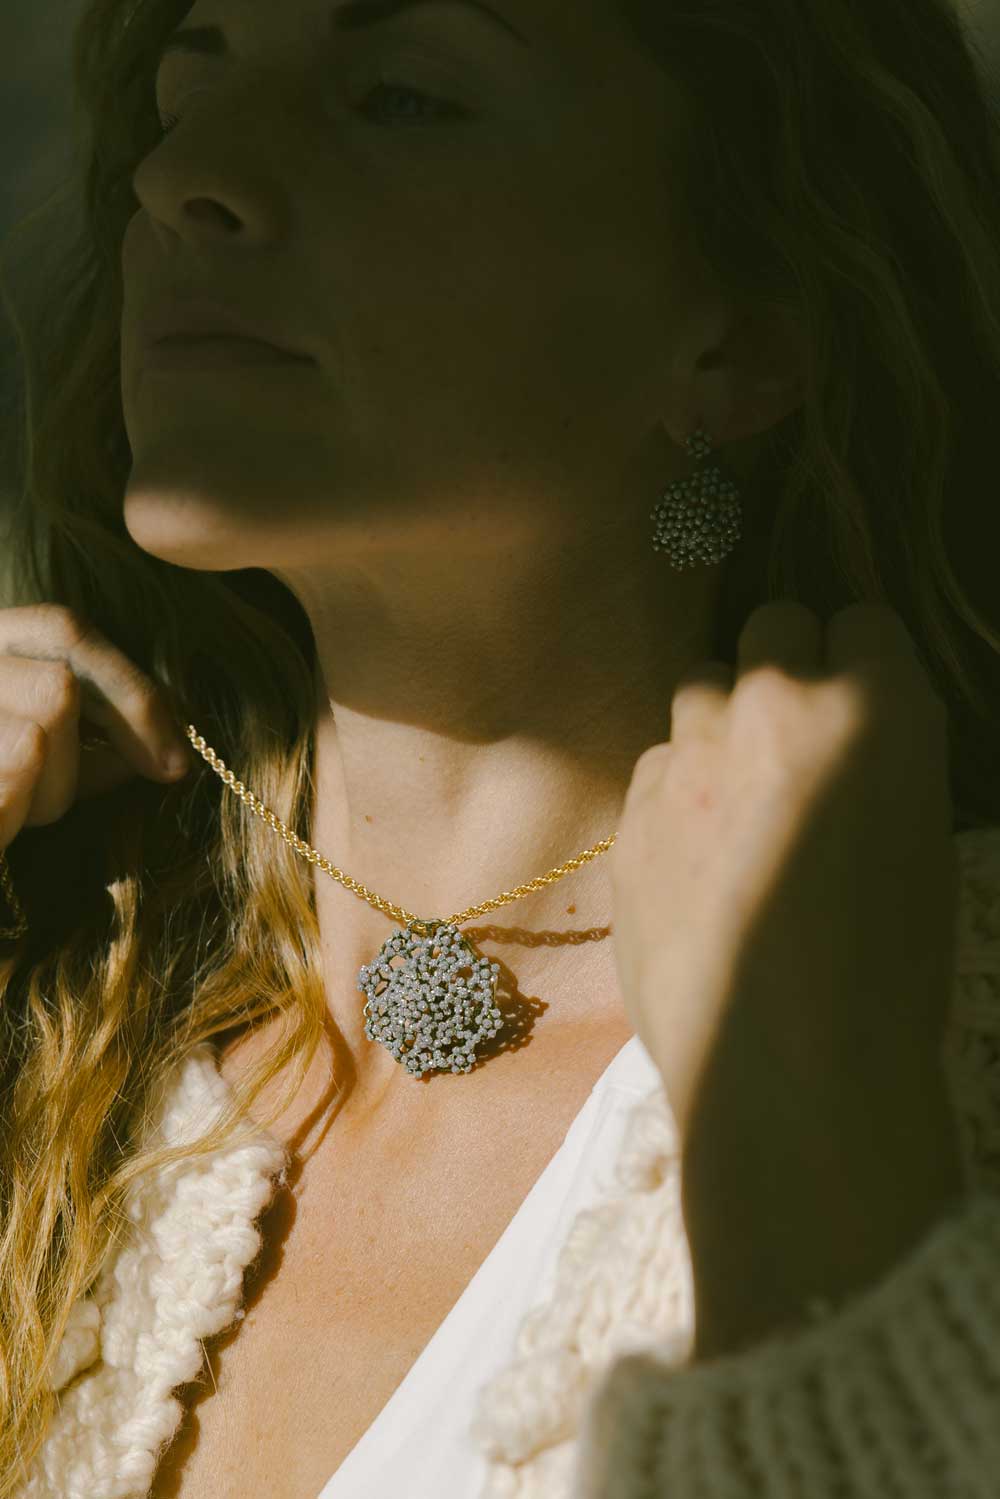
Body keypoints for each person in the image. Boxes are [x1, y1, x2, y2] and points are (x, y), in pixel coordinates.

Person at [1, 0, 999, 1494]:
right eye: (182, 90)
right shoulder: (57, 995)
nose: (183, 172)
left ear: (735, 339)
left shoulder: (935, 1044)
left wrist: (820, 1166)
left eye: (400, 97)